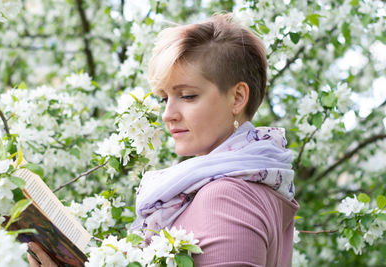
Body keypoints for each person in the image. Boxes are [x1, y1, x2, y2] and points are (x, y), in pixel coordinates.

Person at [28, 13, 299, 267]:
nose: (168, 114)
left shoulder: (227, 197)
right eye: (164, 98)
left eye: (188, 95)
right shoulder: (258, 181)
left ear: (237, 97)